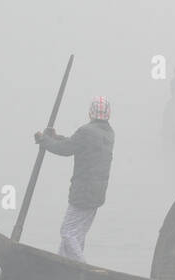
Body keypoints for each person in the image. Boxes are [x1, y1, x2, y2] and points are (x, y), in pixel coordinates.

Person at [34, 96, 115, 262]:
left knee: (67, 232)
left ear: (90, 113)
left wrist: (43, 140)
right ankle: (62, 266)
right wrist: (55, 138)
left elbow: (64, 149)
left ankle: (82, 268)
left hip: (83, 192)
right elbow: (75, 145)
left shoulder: (86, 131)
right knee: (78, 235)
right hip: (97, 193)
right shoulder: (108, 133)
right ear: (108, 115)